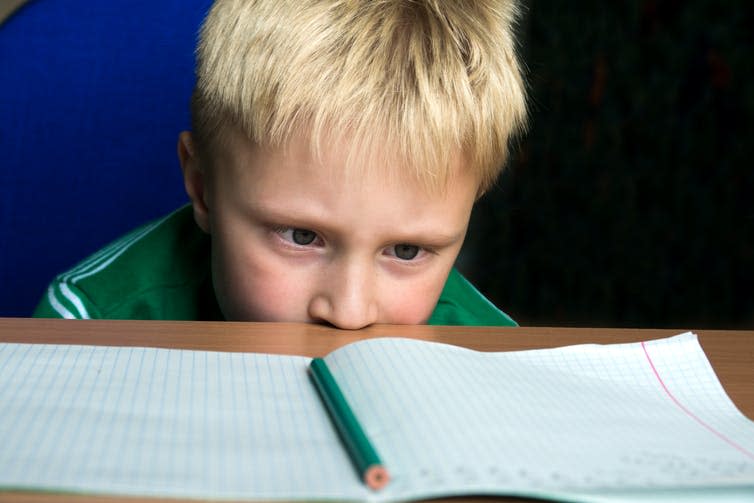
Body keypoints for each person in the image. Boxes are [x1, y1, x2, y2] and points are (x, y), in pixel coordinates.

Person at [33, 0, 527, 328]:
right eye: (301, 237)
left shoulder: (493, 357)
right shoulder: (86, 323)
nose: (349, 312)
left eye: (405, 250)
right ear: (202, 187)